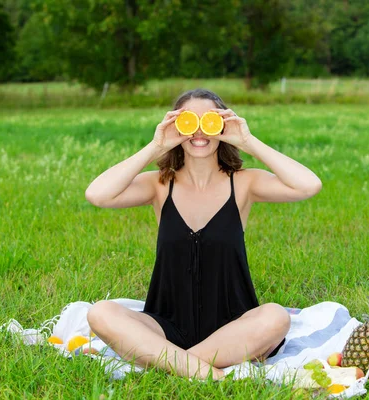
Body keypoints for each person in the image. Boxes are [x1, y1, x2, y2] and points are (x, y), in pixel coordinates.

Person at [85, 88, 322, 380]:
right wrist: (155, 146)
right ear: (175, 127)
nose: (198, 131)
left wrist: (249, 141)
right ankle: (207, 374)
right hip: (166, 325)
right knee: (101, 313)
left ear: (222, 125)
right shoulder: (159, 185)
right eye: (188, 122)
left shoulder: (245, 183)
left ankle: (171, 366)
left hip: (233, 328)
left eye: (208, 121)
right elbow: (97, 195)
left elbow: (309, 185)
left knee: (276, 317)